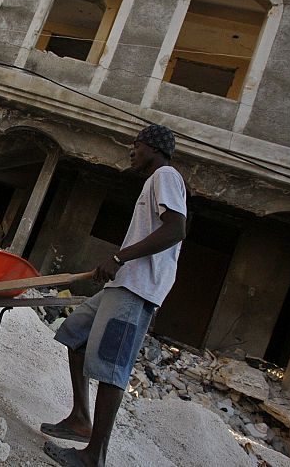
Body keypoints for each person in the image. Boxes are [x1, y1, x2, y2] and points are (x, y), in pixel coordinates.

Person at [42, 124, 187, 467]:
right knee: (75, 332)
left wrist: (119, 258)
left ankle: (94, 456)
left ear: (154, 148)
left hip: (137, 289)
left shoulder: (165, 175)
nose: (131, 151)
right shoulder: (154, 182)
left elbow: (176, 229)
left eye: (137, 145)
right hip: (122, 284)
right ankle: (81, 418)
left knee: (111, 366)